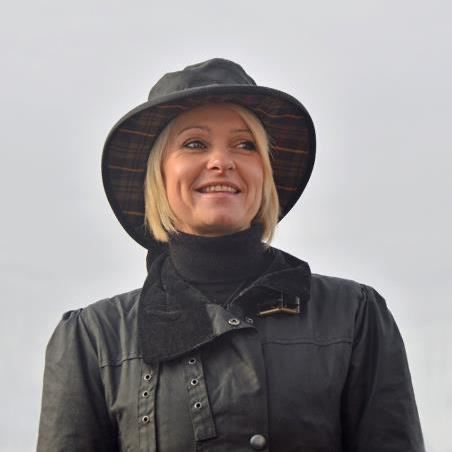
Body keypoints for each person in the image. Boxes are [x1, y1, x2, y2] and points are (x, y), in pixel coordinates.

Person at [37, 58, 425, 451]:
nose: (222, 161)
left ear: (264, 173)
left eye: (245, 145)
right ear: (158, 174)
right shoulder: (94, 339)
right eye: (194, 144)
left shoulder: (354, 316)